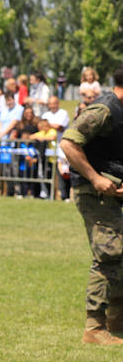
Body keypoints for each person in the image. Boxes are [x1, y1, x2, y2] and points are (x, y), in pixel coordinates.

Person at [58, 64, 123, 345]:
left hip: (112, 192)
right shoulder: (104, 109)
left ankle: (116, 320)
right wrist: (96, 178)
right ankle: (94, 328)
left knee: (119, 253)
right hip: (93, 192)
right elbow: (68, 143)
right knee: (109, 252)